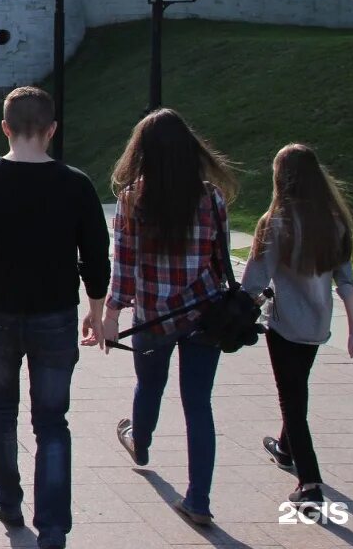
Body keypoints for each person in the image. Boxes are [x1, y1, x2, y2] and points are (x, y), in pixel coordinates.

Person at [0, 86, 109, 549]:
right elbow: (96, 257)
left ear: (5, 128)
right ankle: (53, 525)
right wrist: (96, 312)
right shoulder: (76, 184)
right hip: (55, 313)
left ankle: (9, 499)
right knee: (52, 420)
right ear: (52, 130)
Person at [102, 108, 237, 528]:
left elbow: (123, 264)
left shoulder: (131, 198)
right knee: (199, 404)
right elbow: (222, 259)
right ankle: (199, 498)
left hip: (152, 316)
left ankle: (140, 443)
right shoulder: (211, 197)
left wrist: (110, 314)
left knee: (150, 385)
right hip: (203, 313)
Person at [241, 144, 353, 511]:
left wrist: (232, 316)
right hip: (318, 324)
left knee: (291, 398)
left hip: (284, 325)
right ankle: (284, 447)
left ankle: (309, 484)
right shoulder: (335, 221)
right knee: (298, 387)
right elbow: (347, 282)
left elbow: (252, 283)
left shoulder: (275, 221)